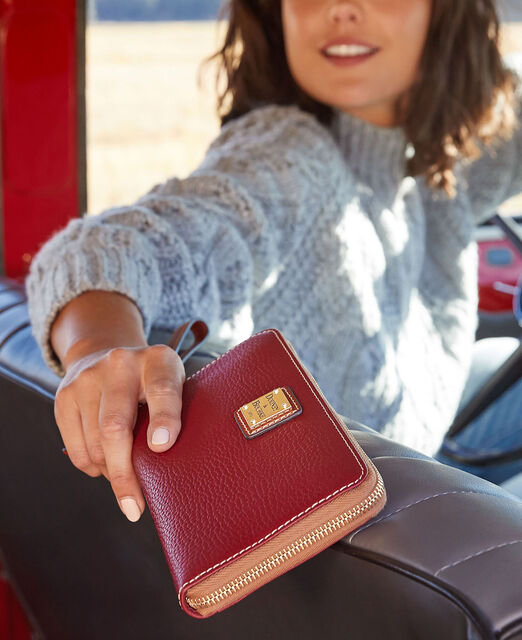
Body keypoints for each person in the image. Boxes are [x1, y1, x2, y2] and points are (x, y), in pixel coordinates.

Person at [25, 0, 522, 522]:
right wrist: (96, 349)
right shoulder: (290, 157)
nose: (341, 8)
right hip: (379, 512)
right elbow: (112, 245)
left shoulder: (436, 156)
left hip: (420, 439)